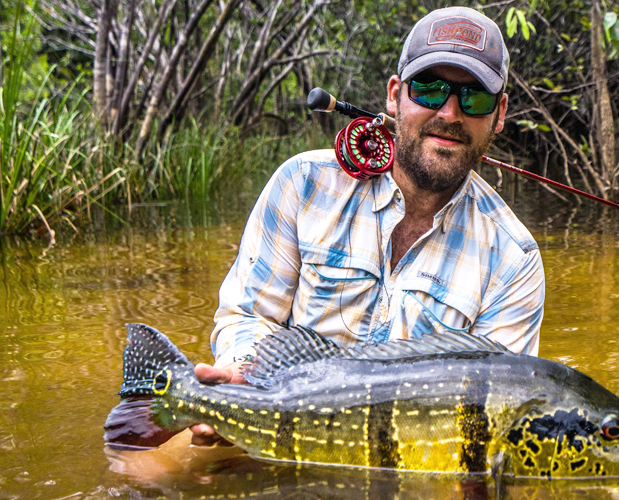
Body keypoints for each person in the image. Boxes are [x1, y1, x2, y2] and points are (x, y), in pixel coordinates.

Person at [191, 6, 545, 445]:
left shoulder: (515, 260)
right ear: (395, 95)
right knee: (143, 467)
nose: (450, 113)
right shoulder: (303, 184)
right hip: (273, 419)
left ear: (500, 112)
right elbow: (249, 315)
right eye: (429, 90)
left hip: (409, 453)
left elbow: (493, 412)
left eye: (474, 98)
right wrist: (244, 374)